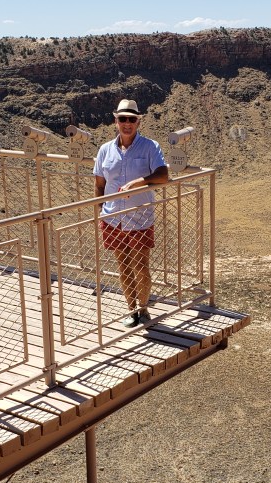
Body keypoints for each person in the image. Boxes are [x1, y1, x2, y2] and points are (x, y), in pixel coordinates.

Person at [93, 99, 170, 328]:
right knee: (123, 265)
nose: (127, 123)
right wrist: (100, 211)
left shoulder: (150, 147)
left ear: (138, 122)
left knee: (141, 265)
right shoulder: (105, 150)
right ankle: (131, 310)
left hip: (139, 217)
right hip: (113, 218)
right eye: (123, 119)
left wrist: (139, 182)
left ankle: (143, 309)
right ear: (115, 121)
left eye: (132, 119)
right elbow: (99, 184)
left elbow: (163, 175)